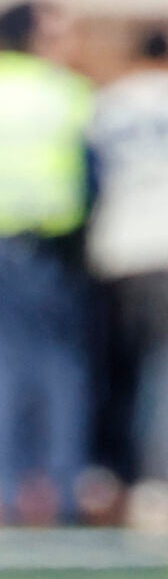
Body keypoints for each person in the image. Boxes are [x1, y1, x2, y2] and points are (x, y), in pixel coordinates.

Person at [0, 3, 96, 526]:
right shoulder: (61, 91)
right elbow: (90, 174)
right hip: (50, 248)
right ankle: (64, 491)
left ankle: (5, 495)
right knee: (60, 371)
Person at [89, 28, 168, 531]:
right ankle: (155, 482)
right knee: (160, 374)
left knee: (120, 369)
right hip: (162, 247)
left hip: (116, 250)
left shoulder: (108, 104)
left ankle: (113, 472)